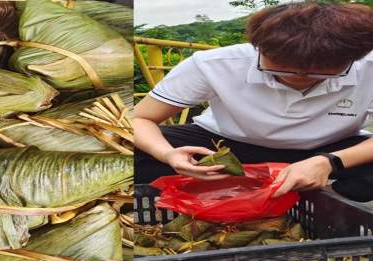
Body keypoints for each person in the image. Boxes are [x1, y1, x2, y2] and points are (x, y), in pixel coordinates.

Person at [134, 2, 373, 202]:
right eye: (282, 69)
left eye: (320, 73)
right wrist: (168, 154)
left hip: (330, 147)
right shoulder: (214, 63)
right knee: (127, 150)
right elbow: (141, 118)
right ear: (259, 48)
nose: (299, 78)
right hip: (228, 145)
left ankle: (317, 201)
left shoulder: (369, 66)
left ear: (356, 57)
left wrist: (329, 162)